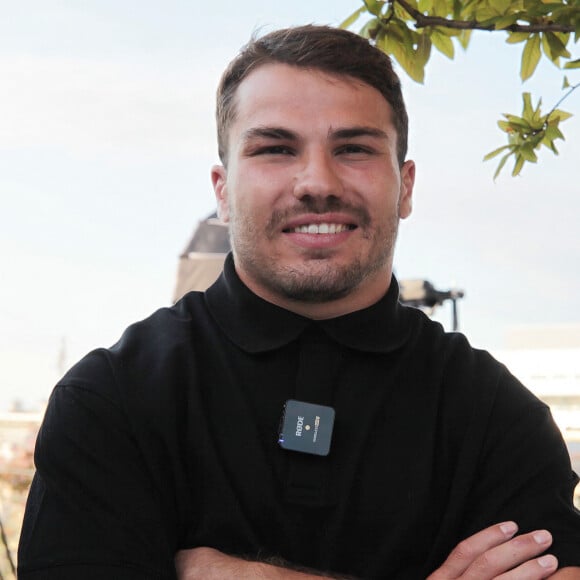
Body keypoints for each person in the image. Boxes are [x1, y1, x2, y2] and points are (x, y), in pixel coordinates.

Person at [18, 25, 580, 579]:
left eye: (354, 148)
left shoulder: (499, 419)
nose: (316, 182)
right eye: (276, 149)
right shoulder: (112, 398)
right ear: (222, 191)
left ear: (405, 186)